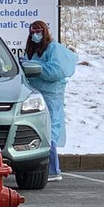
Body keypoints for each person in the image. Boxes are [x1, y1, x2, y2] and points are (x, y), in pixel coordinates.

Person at [23, 19, 77, 182]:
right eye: (33, 32)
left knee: (50, 130)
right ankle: (42, 167)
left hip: (51, 95)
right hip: (35, 94)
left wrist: (35, 68)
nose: (35, 35)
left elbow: (56, 70)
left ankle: (53, 168)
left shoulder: (53, 48)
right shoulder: (32, 49)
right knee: (39, 130)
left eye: (38, 32)